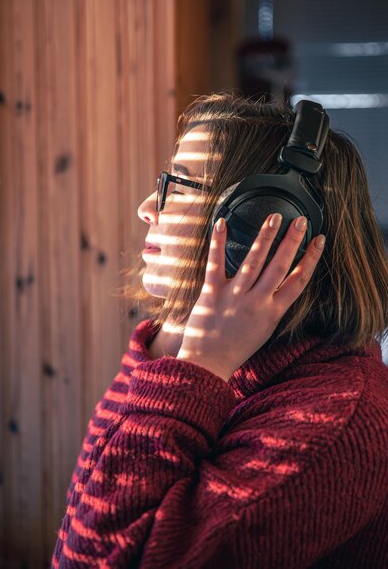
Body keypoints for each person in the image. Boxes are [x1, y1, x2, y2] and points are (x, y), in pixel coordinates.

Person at [52, 92, 388, 568]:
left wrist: (195, 368)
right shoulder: (212, 349)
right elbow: (92, 503)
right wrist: (176, 348)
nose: (148, 208)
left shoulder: (333, 422)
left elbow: (94, 556)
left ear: (263, 221)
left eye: (180, 186)